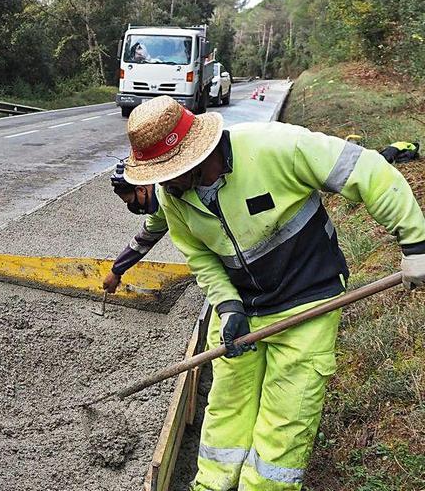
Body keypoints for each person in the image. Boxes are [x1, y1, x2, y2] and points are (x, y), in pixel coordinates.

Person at [121, 96, 425, 490]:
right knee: (227, 404)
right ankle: (212, 483)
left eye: (168, 172)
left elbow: (367, 170)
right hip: (243, 305)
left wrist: (415, 245)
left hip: (309, 298)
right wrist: (229, 308)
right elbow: (200, 258)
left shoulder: (274, 146)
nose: (163, 184)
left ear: (196, 156)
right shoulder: (172, 197)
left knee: (285, 417)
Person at [102, 163, 166, 294]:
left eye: (130, 201)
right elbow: (143, 242)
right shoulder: (158, 212)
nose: (132, 207)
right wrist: (116, 271)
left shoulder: (169, 195)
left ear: (141, 190)